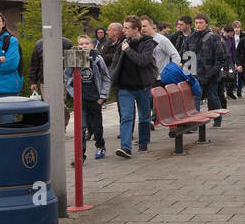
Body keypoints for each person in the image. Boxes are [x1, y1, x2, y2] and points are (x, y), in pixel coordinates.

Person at [109, 16, 156, 158]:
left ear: (136, 29)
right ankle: (125, 148)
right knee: (126, 117)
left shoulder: (148, 43)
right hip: (124, 87)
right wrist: (113, 75)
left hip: (142, 86)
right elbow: (115, 62)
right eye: (123, 27)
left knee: (144, 117)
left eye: (126, 28)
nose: (123, 30)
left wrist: (129, 50)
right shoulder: (123, 43)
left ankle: (143, 142)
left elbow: (143, 61)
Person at [64, 34, 110, 162]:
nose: (84, 46)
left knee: (97, 126)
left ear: (91, 45)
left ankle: (100, 146)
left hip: (95, 98)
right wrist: (74, 93)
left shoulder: (97, 59)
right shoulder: (73, 59)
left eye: (86, 43)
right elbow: (67, 78)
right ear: (77, 46)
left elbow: (106, 77)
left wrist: (103, 96)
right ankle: (80, 155)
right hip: (80, 99)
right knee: (81, 128)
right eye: (81, 44)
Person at [183, 13, 229, 126]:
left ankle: (217, 120)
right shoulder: (190, 38)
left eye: (201, 23)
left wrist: (212, 73)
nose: (198, 25)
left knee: (212, 98)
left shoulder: (213, 38)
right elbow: (185, 57)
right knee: (195, 99)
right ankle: (195, 123)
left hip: (211, 75)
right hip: (195, 75)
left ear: (206, 24)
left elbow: (220, 58)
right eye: (196, 23)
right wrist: (188, 74)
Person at [139, 15, 181, 83]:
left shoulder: (162, 40)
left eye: (144, 26)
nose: (142, 29)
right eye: (140, 27)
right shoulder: (140, 40)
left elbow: (176, 57)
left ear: (152, 26)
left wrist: (168, 72)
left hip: (160, 79)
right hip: (145, 79)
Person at [221, 25, 239, 99]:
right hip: (222, 60)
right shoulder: (220, 38)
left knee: (233, 75)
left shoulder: (231, 39)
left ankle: (230, 92)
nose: (232, 34)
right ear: (226, 32)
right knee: (223, 76)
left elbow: (234, 50)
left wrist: (235, 62)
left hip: (230, 59)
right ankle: (222, 93)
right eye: (231, 32)